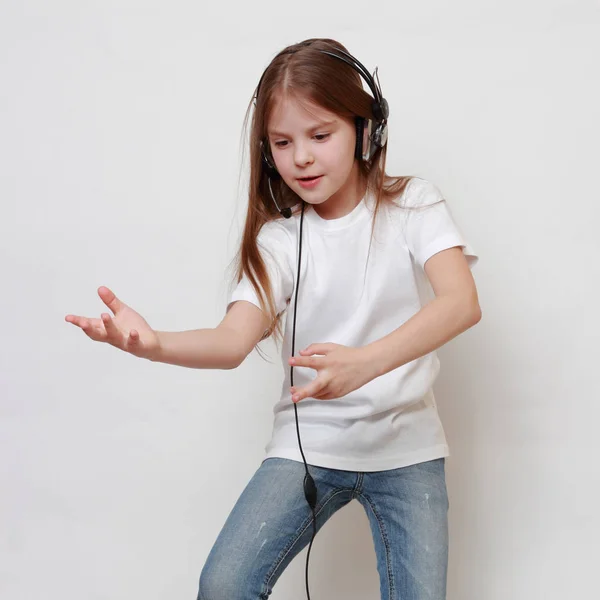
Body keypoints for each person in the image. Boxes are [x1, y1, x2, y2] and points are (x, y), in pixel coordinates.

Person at [65, 38, 481, 600]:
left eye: (319, 135)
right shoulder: (280, 241)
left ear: (365, 130)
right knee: (225, 585)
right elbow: (232, 340)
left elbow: (461, 302)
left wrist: (363, 364)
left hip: (408, 450)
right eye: (282, 143)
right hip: (308, 446)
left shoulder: (415, 204)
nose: (301, 158)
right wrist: (152, 343)